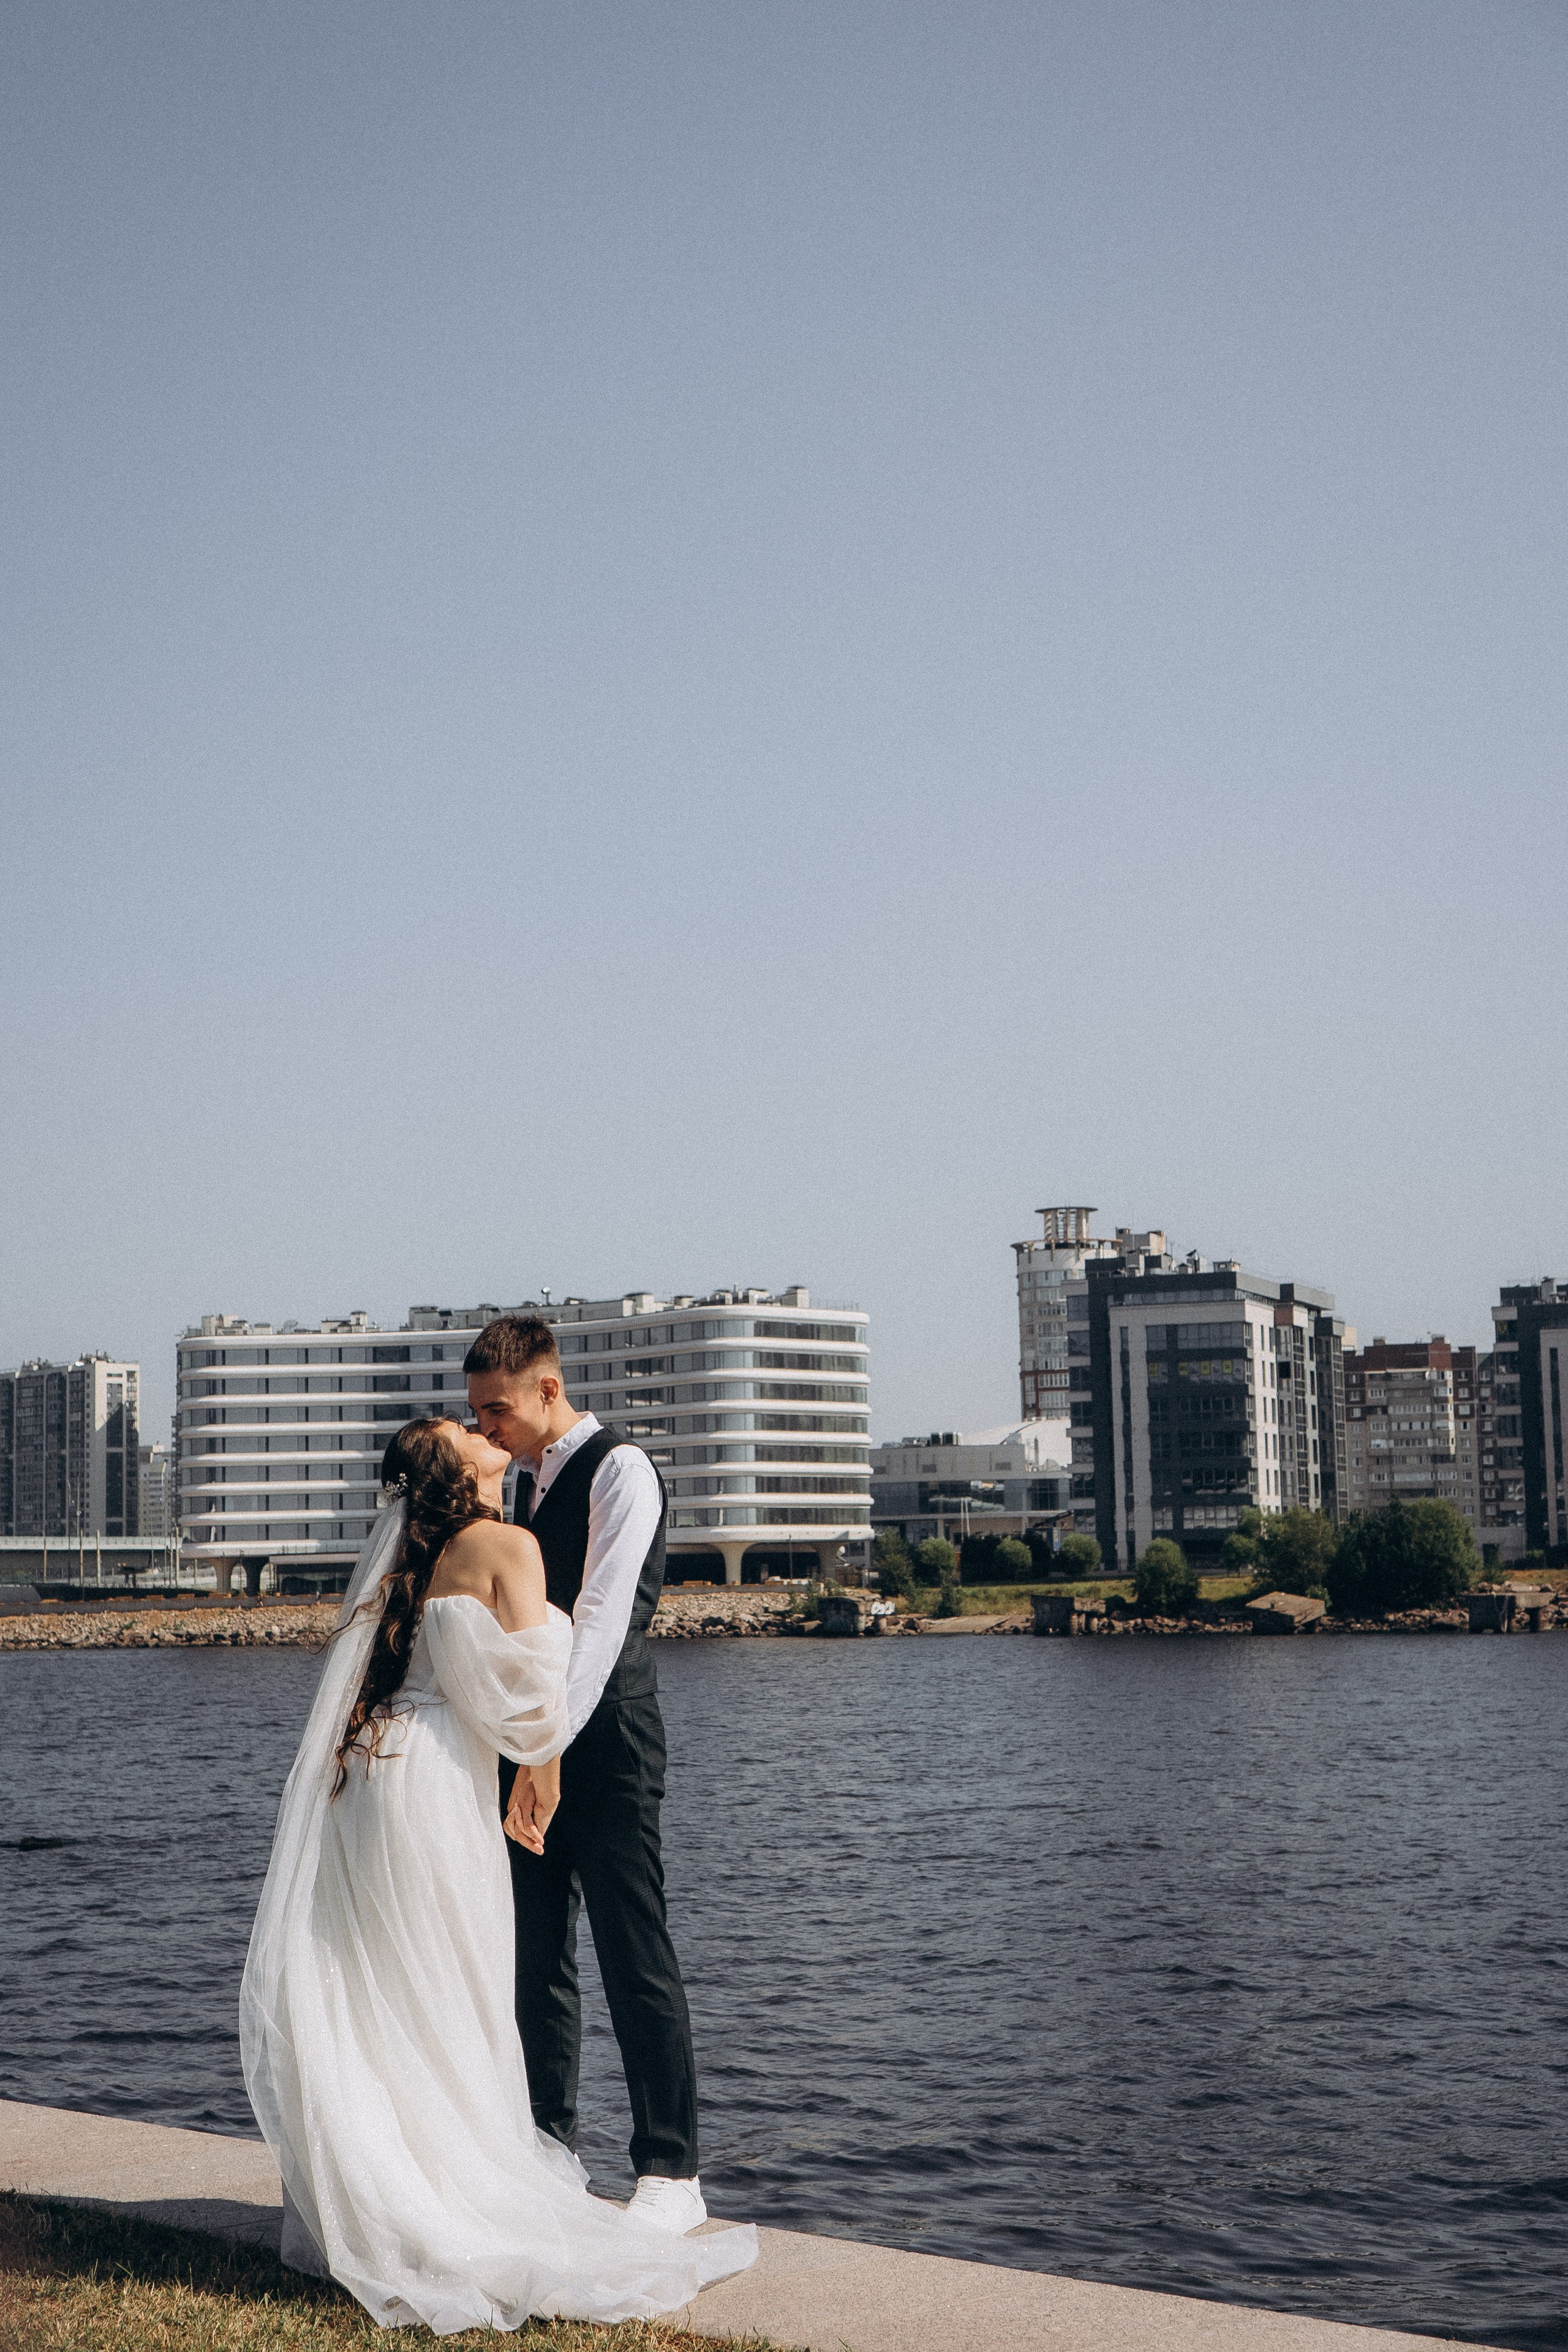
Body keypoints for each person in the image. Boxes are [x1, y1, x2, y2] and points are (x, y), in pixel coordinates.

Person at [239, 1415, 755, 2334]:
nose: (485, 1432)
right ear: (457, 1468)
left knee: (384, 1987)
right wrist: (543, 1759)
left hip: (368, 1781)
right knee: (456, 1986)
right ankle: (456, 2193)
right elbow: (532, 1708)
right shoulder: (506, 1545)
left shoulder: (412, 1558)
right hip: (437, 1784)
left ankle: (383, 2187)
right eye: (466, 1431)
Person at [464, 1314, 703, 2230]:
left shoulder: (621, 1470)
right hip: (531, 1749)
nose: (488, 1428)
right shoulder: (514, 1483)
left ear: (548, 1391)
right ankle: (548, 2150)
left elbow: (602, 1626)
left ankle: (672, 2173)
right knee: (536, 1958)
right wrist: (524, 1750)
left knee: (633, 1951)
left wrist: (547, 1749)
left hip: (606, 1747)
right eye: (478, 1414)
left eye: (499, 1410)